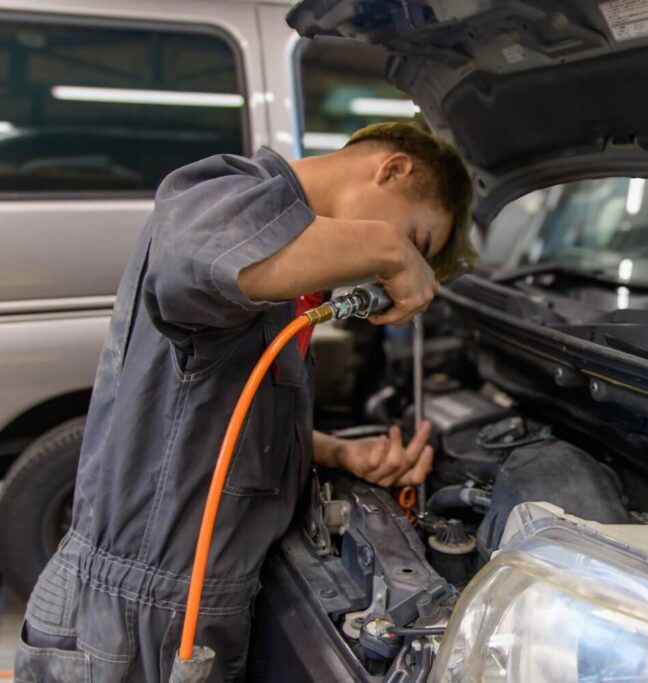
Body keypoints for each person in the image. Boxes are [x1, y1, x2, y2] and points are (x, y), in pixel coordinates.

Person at [15, 122, 475, 682]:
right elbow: (188, 263)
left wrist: (333, 452)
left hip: (195, 605)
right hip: (131, 616)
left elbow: (220, 415)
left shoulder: (291, 285)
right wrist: (388, 247)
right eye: (417, 239)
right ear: (393, 169)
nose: (399, 265)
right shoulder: (234, 190)